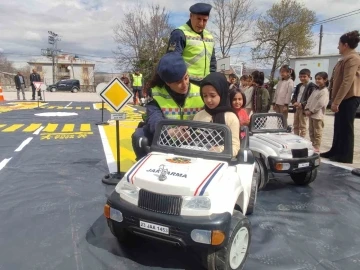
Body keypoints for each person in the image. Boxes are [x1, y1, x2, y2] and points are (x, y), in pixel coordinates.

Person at [131, 53, 204, 160]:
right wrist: (170, 132)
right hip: (165, 141)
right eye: (178, 82)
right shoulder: (156, 94)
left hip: (194, 140)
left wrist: (193, 131)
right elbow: (154, 120)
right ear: (167, 83)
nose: (185, 84)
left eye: (186, 78)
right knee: (139, 136)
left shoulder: (201, 92)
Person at [320, 30, 360, 163]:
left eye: (339, 44)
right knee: (338, 125)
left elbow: (347, 81)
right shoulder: (344, 59)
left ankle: (345, 156)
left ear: (345, 45)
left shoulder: (353, 58)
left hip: (349, 97)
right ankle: (335, 150)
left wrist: (337, 101)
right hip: (341, 97)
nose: (338, 47)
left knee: (346, 127)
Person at [166, 2, 216, 86]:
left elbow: (212, 62)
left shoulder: (209, 37)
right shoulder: (179, 33)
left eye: (205, 20)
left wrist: (213, 80)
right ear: (191, 16)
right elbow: (172, 61)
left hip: (206, 84)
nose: (201, 23)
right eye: (198, 19)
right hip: (186, 84)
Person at [193, 72, 240, 157]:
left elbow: (235, 147)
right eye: (205, 96)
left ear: (222, 93)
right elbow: (193, 138)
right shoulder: (199, 115)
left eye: (213, 95)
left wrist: (220, 149)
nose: (208, 100)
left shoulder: (230, 118)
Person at [304, 72, 330, 153]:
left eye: (319, 79)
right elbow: (309, 100)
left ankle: (317, 146)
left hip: (318, 115)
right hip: (311, 114)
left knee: (317, 131)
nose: (317, 80)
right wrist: (307, 108)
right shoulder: (316, 90)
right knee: (311, 130)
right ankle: (312, 144)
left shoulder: (325, 91)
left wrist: (312, 111)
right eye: (316, 79)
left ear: (325, 80)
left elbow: (321, 103)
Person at [291, 69, 317, 137]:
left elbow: (311, 99)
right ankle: (295, 138)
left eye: (304, 76)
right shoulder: (299, 86)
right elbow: (295, 95)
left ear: (309, 76)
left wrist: (302, 104)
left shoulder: (312, 87)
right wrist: (294, 102)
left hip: (304, 109)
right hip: (297, 108)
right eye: (300, 77)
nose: (302, 78)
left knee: (302, 126)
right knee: (295, 125)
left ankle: (302, 139)